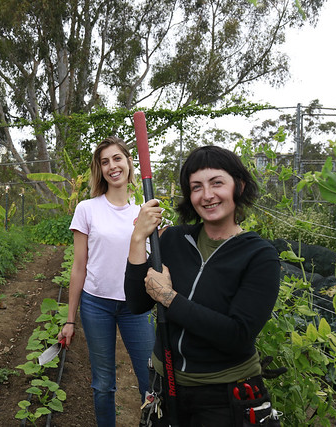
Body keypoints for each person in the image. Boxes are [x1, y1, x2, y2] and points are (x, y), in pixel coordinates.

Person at [125, 145, 280, 426]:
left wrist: (170, 298)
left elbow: (237, 334)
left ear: (239, 186)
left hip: (224, 395)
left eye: (216, 183)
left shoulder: (259, 256)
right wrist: (138, 238)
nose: (207, 195)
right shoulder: (173, 239)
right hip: (165, 385)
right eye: (196, 187)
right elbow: (137, 303)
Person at [57, 136, 155, 426]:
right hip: (96, 304)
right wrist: (70, 319)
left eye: (117, 158)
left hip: (136, 306)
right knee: (102, 384)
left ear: (128, 163)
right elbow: (79, 266)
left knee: (149, 382)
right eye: (104, 162)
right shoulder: (87, 209)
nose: (112, 166)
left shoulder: (143, 213)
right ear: (99, 170)